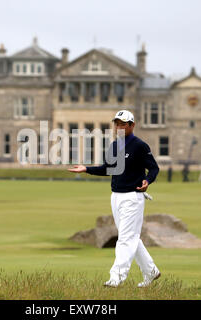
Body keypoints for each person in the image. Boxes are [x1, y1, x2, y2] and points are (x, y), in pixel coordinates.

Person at [68, 110, 160, 288]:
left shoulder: (140, 146)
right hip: (116, 196)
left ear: (132, 126)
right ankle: (151, 271)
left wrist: (147, 181)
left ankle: (116, 277)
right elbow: (107, 169)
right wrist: (86, 169)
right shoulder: (114, 145)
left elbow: (154, 169)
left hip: (133, 197)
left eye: (122, 124)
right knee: (131, 237)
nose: (118, 127)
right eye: (116, 123)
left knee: (125, 238)